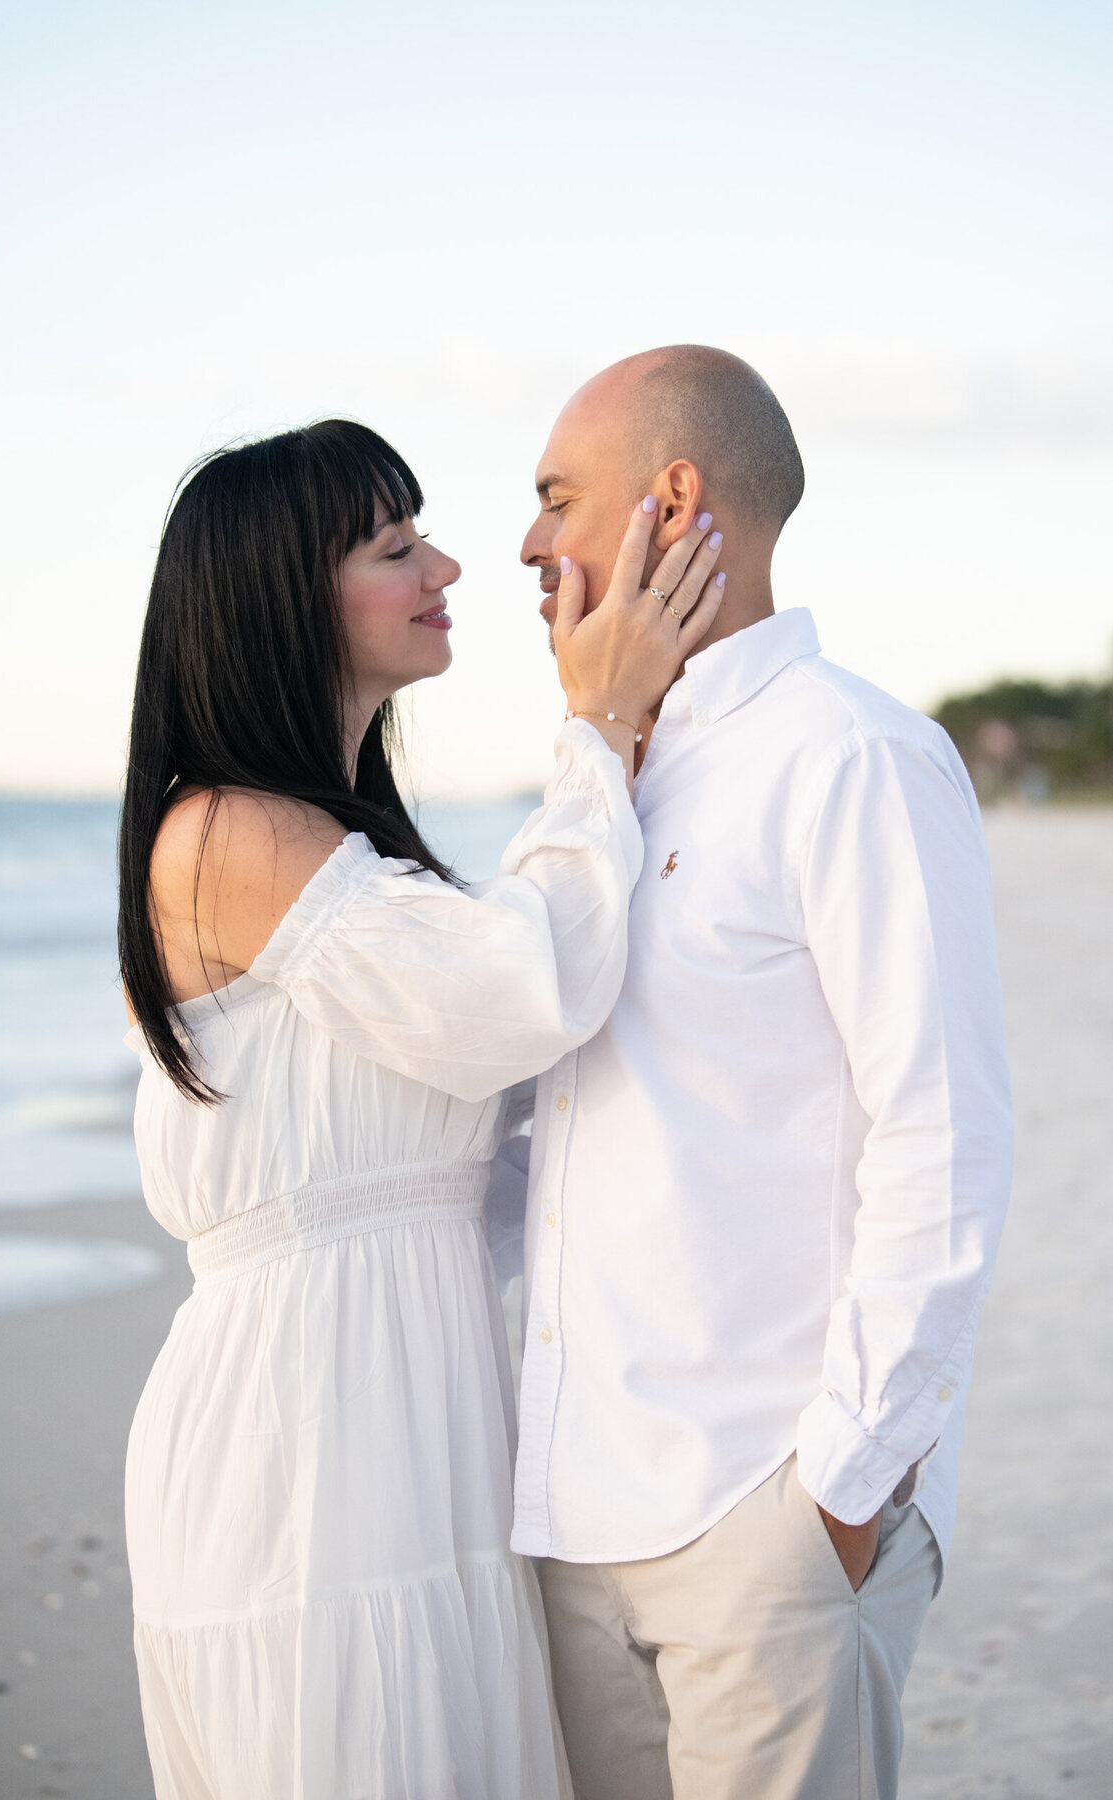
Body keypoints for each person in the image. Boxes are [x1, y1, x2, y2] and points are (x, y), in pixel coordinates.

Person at [116, 417, 725, 1799]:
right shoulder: (228, 831)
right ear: (284, 600)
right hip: (307, 1434)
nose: (446, 567)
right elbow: (519, 993)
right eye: (396, 547)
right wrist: (598, 724)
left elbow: (497, 1136)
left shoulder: (335, 842)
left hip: (413, 1406)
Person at [515, 346, 1014, 1800]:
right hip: (574, 1519)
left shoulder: (851, 754)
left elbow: (944, 1135)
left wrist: (840, 1493)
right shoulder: (607, 775)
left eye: (557, 497)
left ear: (672, 503)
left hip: (765, 1516)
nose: (529, 544)